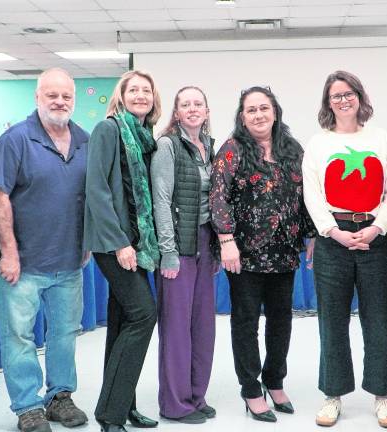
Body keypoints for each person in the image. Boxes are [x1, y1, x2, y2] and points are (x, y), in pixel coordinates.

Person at [0, 68, 89, 432]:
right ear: (38, 97)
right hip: (24, 263)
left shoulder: (84, 140)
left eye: (66, 96)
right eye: (52, 95)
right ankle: (28, 407)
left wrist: (87, 242)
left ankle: (60, 397)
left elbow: (90, 198)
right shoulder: (15, 140)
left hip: (70, 262)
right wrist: (9, 251)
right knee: (19, 336)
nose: (60, 102)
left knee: (63, 333)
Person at [302, 70, 387, 428]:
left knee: (379, 320)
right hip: (334, 239)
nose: (343, 100)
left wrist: (377, 228)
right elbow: (311, 195)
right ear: (328, 103)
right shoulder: (317, 144)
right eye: (336, 96)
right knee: (332, 321)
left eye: (348, 94)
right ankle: (333, 395)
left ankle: (382, 394)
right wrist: (333, 231)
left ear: (359, 97)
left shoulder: (380, 138)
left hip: (375, 237)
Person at [210, 86, 316, 423]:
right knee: (245, 322)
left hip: (284, 250)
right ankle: (251, 388)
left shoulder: (291, 147)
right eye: (251, 110)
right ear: (242, 116)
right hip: (244, 253)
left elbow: (307, 193)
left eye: (264, 108)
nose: (258, 115)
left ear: (275, 112)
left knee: (281, 319)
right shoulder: (232, 149)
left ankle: (275, 380)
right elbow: (218, 196)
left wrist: (311, 234)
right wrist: (226, 240)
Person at [84, 70, 161, 432]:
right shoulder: (109, 129)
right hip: (115, 244)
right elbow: (97, 189)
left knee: (121, 324)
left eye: (146, 90)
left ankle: (123, 407)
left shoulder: (144, 136)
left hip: (139, 244)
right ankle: (111, 413)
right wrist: (119, 243)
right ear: (122, 95)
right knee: (144, 315)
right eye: (134, 90)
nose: (141, 95)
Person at [151, 86, 217, 424]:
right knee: (177, 329)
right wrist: (168, 252)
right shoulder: (167, 146)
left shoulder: (210, 148)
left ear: (206, 111)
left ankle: (196, 395)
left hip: (206, 245)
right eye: (185, 104)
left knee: (203, 327)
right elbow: (161, 200)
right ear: (176, 113)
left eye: (198, 103)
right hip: (179, 246)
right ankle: (175, 403)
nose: (192, 108)